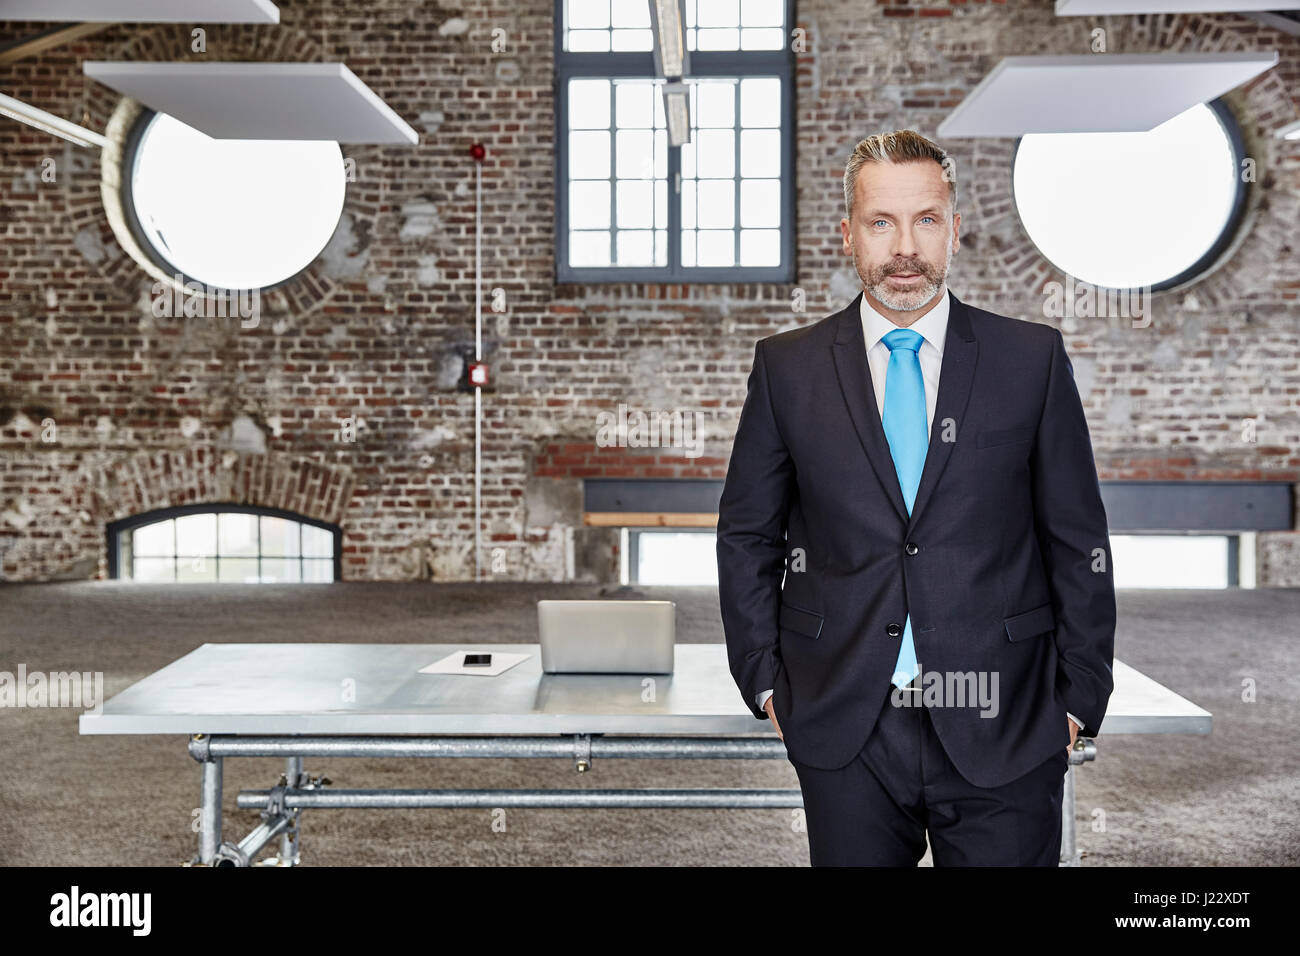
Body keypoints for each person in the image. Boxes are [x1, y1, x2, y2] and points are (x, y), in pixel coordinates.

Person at [716, 129, 1116, 866]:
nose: (905, 247)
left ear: (954, 229)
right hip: (846, 722)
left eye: (925, 219)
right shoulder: (786, 368)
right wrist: (766, 683)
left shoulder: (1029, 360)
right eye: (882, 222)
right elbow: (748, 533)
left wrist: (1080, 694)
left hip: (1006, 713)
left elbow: (1076, 535)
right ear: (848, 235)